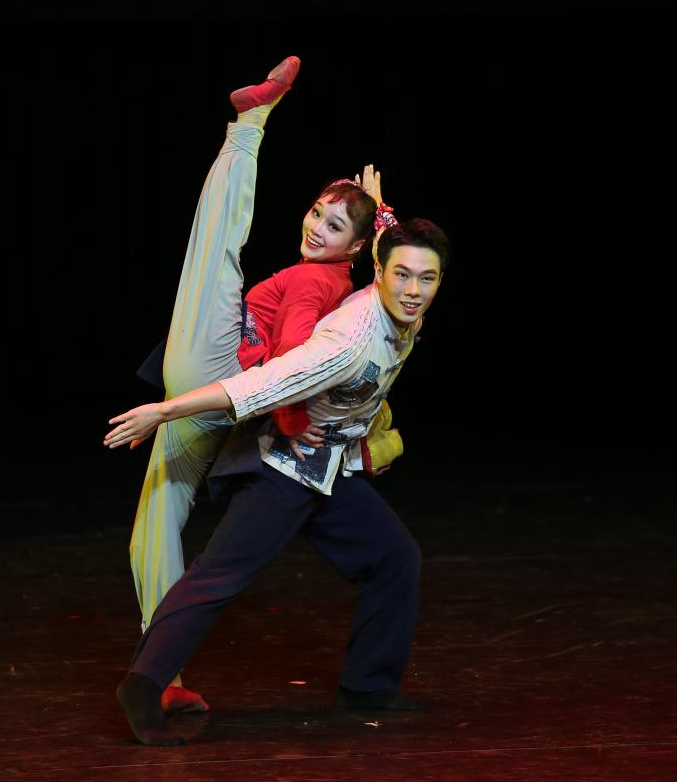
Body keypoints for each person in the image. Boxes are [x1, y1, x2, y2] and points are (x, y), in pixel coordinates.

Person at [105, 217, 450, 745]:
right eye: (401, 275)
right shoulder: (347, 341)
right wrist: (165, 411)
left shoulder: (407, 308)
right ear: (378, 273)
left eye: (427, 279)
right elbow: (264, 384)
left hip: (327, 467)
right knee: (220, 575)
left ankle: (367, 688)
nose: (413, 291)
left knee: (394, 556)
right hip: (281, 466)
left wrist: (383, 214)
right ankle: (142, 685)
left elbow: (394, 247)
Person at [122, 55, 391, 714]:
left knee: (216, 252)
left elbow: (294, 355)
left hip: (222, 374)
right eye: (316, 213)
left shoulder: (312, 282)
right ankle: (163, 675)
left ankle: (249, 127)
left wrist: (288, 414)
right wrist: (379, 216)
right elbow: (379, 282)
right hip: (223, 404)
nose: (314, 228)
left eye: (333, 226)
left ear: (354, 248)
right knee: (156, 521)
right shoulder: (350, 287)